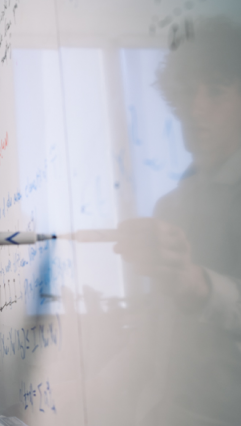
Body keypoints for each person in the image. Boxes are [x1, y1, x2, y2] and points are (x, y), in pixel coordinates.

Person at [112, 17, 241, 426]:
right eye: (187, 93)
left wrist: (198, 286)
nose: (196, 107)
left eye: (216, 91)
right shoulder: (169, 205)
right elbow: (158, 327)